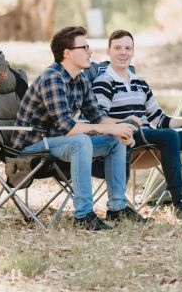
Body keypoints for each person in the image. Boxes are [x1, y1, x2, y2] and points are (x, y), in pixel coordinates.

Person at [11, 26, 146, 231]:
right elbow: (67, 127)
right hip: (33, 146)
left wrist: (123, 129)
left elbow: (98, 117)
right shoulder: (52, 78)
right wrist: (111, 129)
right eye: (84, 47)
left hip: (58, 142)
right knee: (81, 141)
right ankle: (83, 215)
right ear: (68, 53)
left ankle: (117, 208)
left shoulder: (80, 79)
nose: (90, 52)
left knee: (114, 140)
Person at [92, 30, 182, 219]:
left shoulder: (139, 83)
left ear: (133, 52)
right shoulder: (104, 82)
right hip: (126, 138)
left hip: (151, 137)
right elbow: (100, 119)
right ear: (108, 51)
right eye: (117, 48)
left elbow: (161, 119)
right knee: (168, 135)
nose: (123, 52)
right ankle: (178, 200)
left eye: (127, 48)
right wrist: (125, 122)